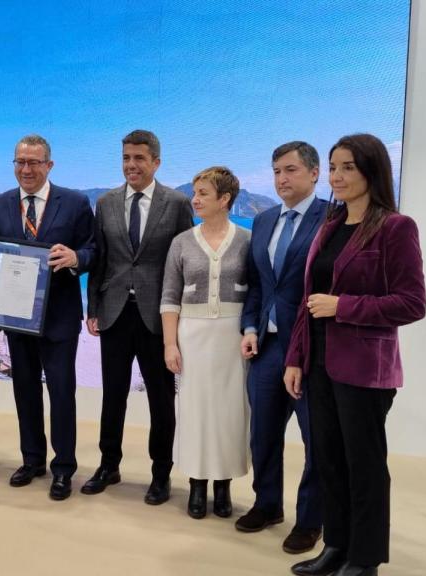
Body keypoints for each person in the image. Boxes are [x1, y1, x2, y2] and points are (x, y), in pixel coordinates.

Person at [285, 134, 425, 576]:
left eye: (347, 167)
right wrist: (295, 357)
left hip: (365, 370)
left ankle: (364, 559)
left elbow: (411, 303)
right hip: (320, 363)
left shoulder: (395, 227)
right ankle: (336, 547)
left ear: (371, 171)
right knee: (327, 458)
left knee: (363, 466)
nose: (337, 176)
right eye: (333, 167)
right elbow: (308, 299)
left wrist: (343, 306)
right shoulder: (329, 226)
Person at [81, 130, 194, 504]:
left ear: (156, 162)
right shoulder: (107, 202)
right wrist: (93, 308)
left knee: (161, 399)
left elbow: (185, 263)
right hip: (114, 312)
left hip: (157, 316)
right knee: (112, 396)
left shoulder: (176, 203)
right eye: (126, 158)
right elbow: (99, 258)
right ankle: (108, 465)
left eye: (139, 158)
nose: (131, 165)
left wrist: (179, 323)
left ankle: (160, 474)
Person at [0, 134, 95, 501]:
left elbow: (95, 250)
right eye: (20, 162)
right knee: (25, 390)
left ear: (49, 165)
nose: (26, 169)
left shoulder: (76, 202)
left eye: (34, 162)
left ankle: (63, 468)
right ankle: (31, 459)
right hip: (17, 317)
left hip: (60, 317)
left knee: (62, 393)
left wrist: (76, 259)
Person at [238, 142, 327, 553]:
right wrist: (250, 326)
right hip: (268, 345)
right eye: (276, 171)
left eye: (290, 170)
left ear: (314, 173)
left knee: (316, 439)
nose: (281, 179)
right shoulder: (264, 220)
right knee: (263, 433)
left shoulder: (334, 218)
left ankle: (310, 520)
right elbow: (259, 283)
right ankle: (267, 503)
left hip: (313, 346)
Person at [160, 166, 251, 519]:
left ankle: (223, 484)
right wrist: (170, 344)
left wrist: (251, 333)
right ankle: (197, 484)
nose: (194, 199)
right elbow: (169, 296)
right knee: (194, 411)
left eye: (203, 194)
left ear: (225, 199)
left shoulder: (246, 240)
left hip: (232, 336)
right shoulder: (181, 242)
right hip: (192, 335)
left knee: (230, 413)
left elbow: (256, 291)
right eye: (195, 192)